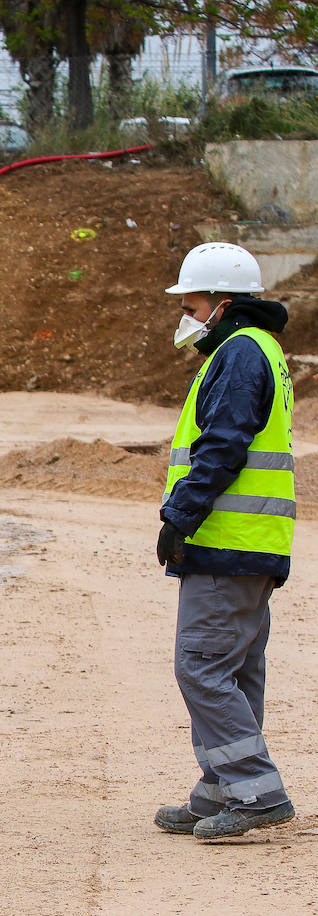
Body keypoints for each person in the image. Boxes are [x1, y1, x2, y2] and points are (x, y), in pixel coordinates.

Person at [154, 241, 296, 840]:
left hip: (227, 539)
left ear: (222, 300)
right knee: (234, 669)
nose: (186, 309)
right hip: (252, 541)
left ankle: (257, 791)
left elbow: (221, 447)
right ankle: (222, 786)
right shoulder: (259, 349)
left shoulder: (239, 355)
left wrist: (179, 516)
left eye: (192, 298)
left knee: (203, 667)